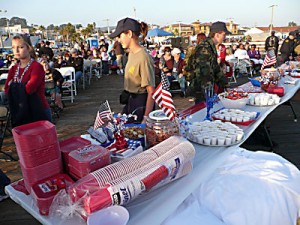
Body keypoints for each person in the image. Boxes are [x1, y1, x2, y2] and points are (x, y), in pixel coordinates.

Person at [109, 17, 155, 123]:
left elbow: (151, 92)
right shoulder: (130, 54)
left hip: (140, 106)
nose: (118, 40)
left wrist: (146, 118)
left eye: (120, 36)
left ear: (129, 33)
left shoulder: (143, 57)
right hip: (130, 102)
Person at [4, 34, 51, 127]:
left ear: (29, 48)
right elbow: (6, 89)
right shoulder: (13, 69)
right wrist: (21, 85)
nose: (16, 51)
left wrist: (13, 85)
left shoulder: (36, 67)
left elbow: (29, 89)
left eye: (21, 47)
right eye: (14, 47)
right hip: (21, 112)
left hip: (38, 111)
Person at [184, 21, 228, 103]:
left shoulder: (210, 46)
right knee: (203, 111)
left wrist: (224, 84)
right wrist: (209, 94)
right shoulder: (205, 47)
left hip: (206, 87)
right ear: (217, 34)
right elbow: (204, 73)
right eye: (224, 35)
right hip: (202, 88)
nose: (225, 37)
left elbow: (215, 68)